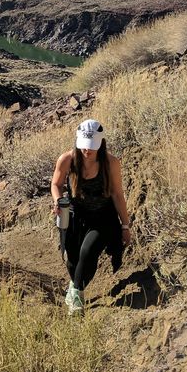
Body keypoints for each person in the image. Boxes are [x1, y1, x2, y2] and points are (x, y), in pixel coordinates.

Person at [50, 119, 131, 315]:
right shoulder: (67, 159)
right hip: (76, 215)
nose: (87, 151)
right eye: (85, 147)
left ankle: (77, 298)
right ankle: (75, 285)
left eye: (92, 147)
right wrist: (58, 200)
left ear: (101, 143)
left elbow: (117, 194)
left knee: (89, 252)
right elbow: (56, 184)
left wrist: (125, 226)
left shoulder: (111, 163)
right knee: (73, 260)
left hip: (103, 216)